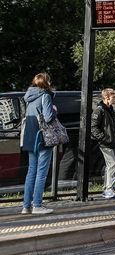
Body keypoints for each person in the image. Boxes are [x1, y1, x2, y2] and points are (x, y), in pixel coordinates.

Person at [20, 72, 56, 215]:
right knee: (41, 173)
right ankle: (37, 205)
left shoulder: (28, 97)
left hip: (30, 137)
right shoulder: (45, 96)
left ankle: (26, 206)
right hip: (42, 138)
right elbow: (47, 118)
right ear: (46, 83)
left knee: (31, 172)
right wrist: (54, 111)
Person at [90, 88, 115, 199]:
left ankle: (107, 189)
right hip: (107, 143)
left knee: (111, 165)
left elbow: (114, 127)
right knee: (112, 164)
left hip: (112, 142)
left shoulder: (110, 109)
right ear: (107, 97)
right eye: (113, 96)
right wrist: (104, 139)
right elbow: (93, 128)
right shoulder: (100, 110)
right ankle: (108, 189)